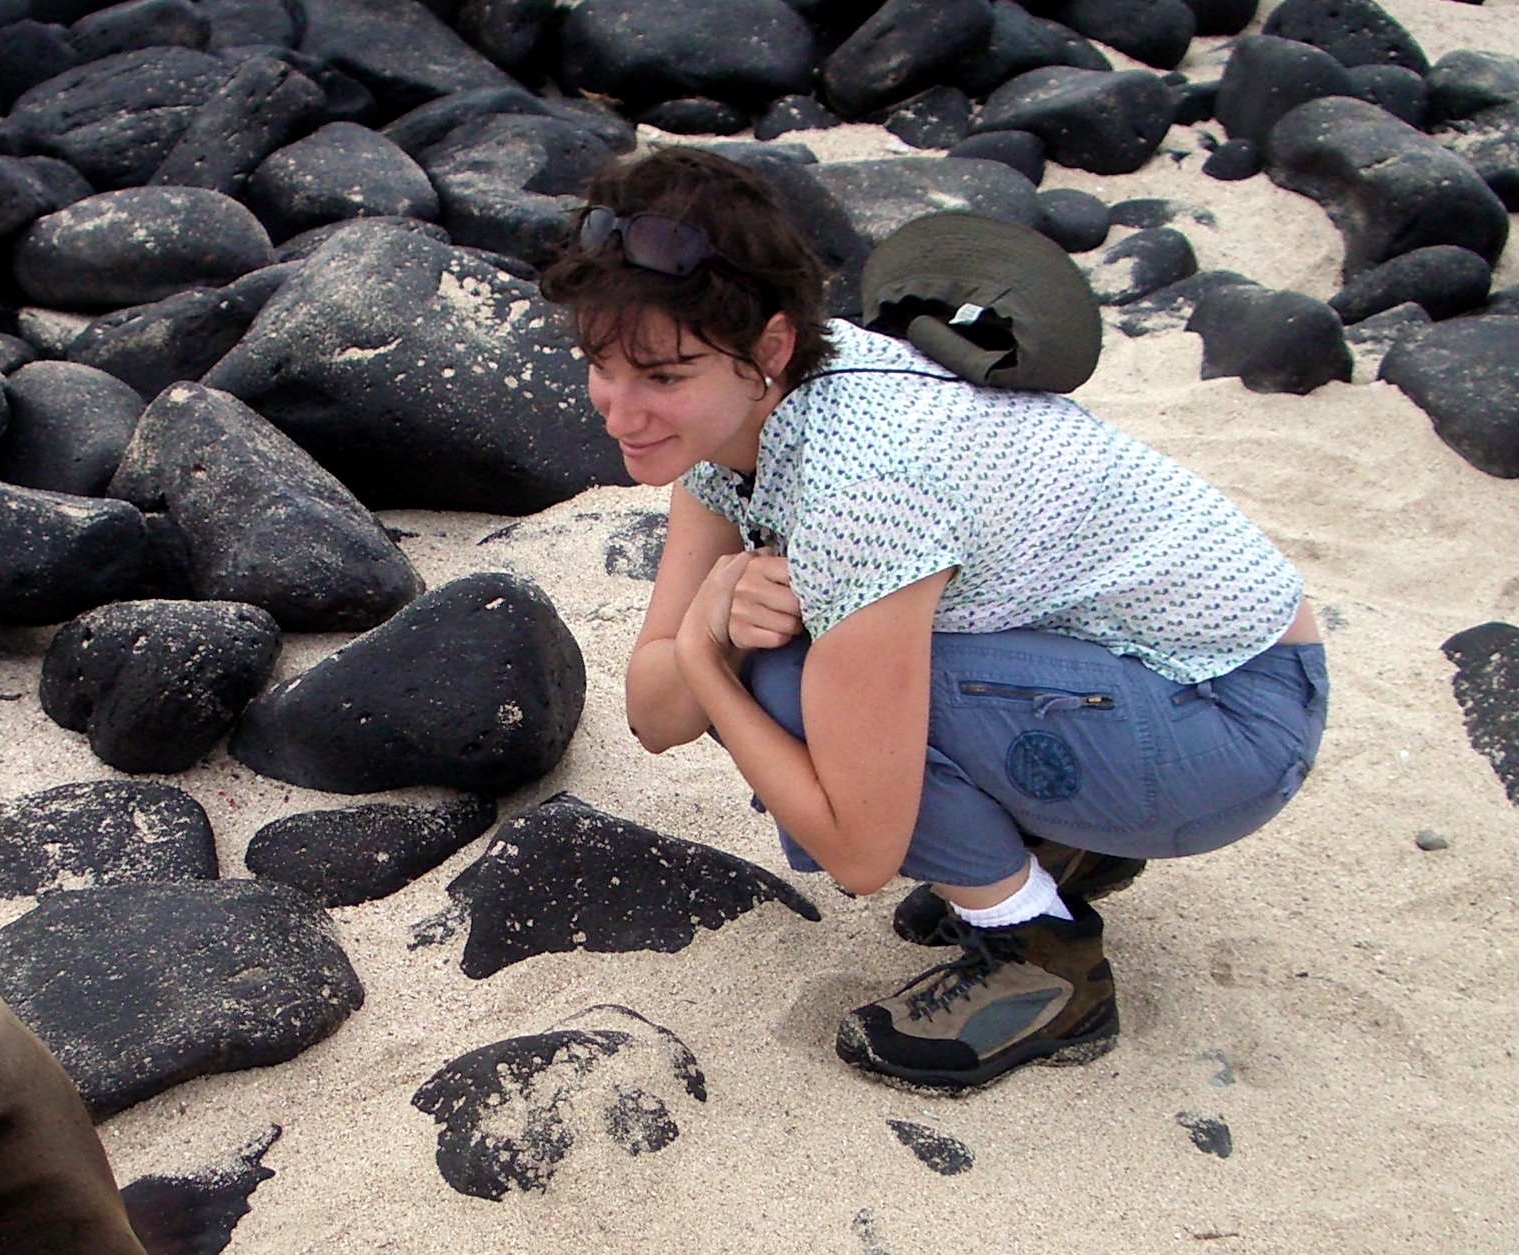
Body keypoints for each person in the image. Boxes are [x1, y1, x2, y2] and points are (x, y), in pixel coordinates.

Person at [538, 147, 1328, 1092]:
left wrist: (713, 659)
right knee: (807, 667)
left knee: (787, 678)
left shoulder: (864, 487)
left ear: (773, 348)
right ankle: (1053, 845)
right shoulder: (731, 428)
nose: (621, 412)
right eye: (600, 365)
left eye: (661, 376)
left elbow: (858, 852)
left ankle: (1045, 962)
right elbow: (651, 719)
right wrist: (711, 615)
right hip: (1135, 670)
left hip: (1232, 719)